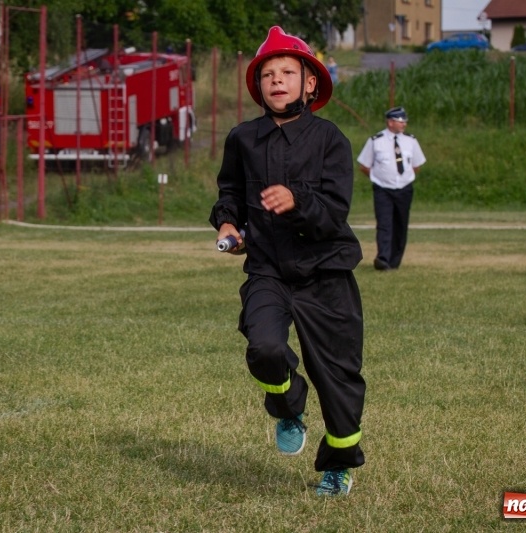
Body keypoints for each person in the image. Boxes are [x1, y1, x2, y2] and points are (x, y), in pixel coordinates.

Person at [209, 26, 365, 497]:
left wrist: (295, 199)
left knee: (337, 378)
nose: (277, 81)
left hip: (326, 272)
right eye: (268, 75)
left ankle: (338, 466)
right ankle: (288, 407)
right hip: (268, 269)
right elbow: (230, 194)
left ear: (310, 83)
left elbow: (335, 212)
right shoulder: (242, 138)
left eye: (287, 72)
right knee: (265, 349)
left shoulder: (330, 140)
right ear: (258, 87)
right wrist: (228, 226)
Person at [357, 106, 426, 270]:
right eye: (400, 121)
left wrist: (405, 178)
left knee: (400, 224)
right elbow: (364, 166)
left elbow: (416, 165)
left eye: (405, 121)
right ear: (390, 122)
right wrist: (378, 178)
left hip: (404, 188)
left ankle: (395, 260)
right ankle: (382, 258)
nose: (404, 124)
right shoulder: (376, 141)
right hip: (383, 189)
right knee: (384, 223)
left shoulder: (411, 141)